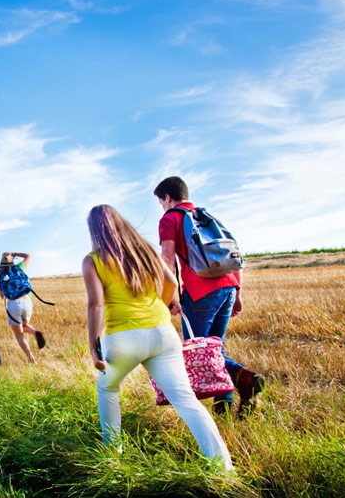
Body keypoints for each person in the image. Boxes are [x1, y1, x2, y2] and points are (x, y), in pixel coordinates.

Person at [83, 204, 233, 470]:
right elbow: (172, 282)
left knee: (108, 389)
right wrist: (163, 305)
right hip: (163, 334)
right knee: (186, 400)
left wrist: (94, 346)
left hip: (123, 338)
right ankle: (223, 467)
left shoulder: (94, 260)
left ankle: (113, 454)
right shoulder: (146, 251)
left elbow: (96, 305)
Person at [154, 176, 264, 415]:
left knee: (201, 351)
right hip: (228, 286)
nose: (161, 206)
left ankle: (244, 378)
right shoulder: (206, 216)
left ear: (168, 198)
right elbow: (233, 254)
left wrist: (168, 295)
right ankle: (224, 404)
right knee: (216, 346)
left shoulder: (170, 218)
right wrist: (237, 292)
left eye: (160, 202)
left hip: (200, 292)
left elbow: (167, 259)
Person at [0, 252, 46, 364]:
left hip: (14, 304)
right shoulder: (20, 267)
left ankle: (32, 359)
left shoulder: (2, 275)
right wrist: (15, 253)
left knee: (19, 335)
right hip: (27, 302)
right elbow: (29, 255)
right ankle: (34, 332)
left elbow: (2, 295)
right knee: (22, 325)